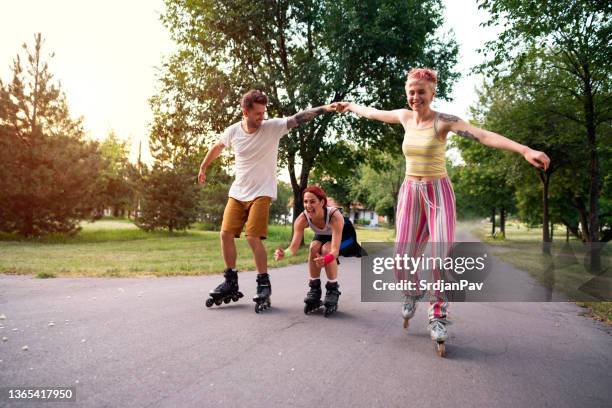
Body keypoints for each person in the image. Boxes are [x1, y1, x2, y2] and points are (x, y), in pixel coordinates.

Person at [336, 68, 550, 356]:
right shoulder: (404, 117)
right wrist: (349, 106)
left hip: (439, 193)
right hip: (411, 192)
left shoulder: (443, 122)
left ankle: (437, 315)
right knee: (402, 257)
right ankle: (412, 291)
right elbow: (372, 112)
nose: (415, 97)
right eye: (411, 91)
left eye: (421, 92)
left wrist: (524, 150)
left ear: (432, 92)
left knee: (439, 255)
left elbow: (482, 135)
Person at [199, 90, 336, 313]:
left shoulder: (271, 128)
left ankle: (263, 283)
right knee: (224, 234)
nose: (262, 117)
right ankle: (230, 279)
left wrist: (324, 108)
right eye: (257, 114)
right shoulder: (234, 131)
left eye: (264, 112)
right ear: (245, 112)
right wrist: (204, 166)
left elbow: (298, 118)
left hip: (262, 192)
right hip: (238, 192)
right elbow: (217, 146)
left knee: (252, 237)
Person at [274, 185, 364, 316]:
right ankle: (314, 289)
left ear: (322, 202)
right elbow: (293, 248)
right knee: (314, 247)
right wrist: (284, 253)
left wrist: (326, 259)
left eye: (312, 201)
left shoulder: (334, 216)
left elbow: (334, 251)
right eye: (305, 202)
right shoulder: (302, 219)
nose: (308, 205)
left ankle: (333, 290)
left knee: (326, 249)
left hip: (345, 236)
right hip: (324, 235)